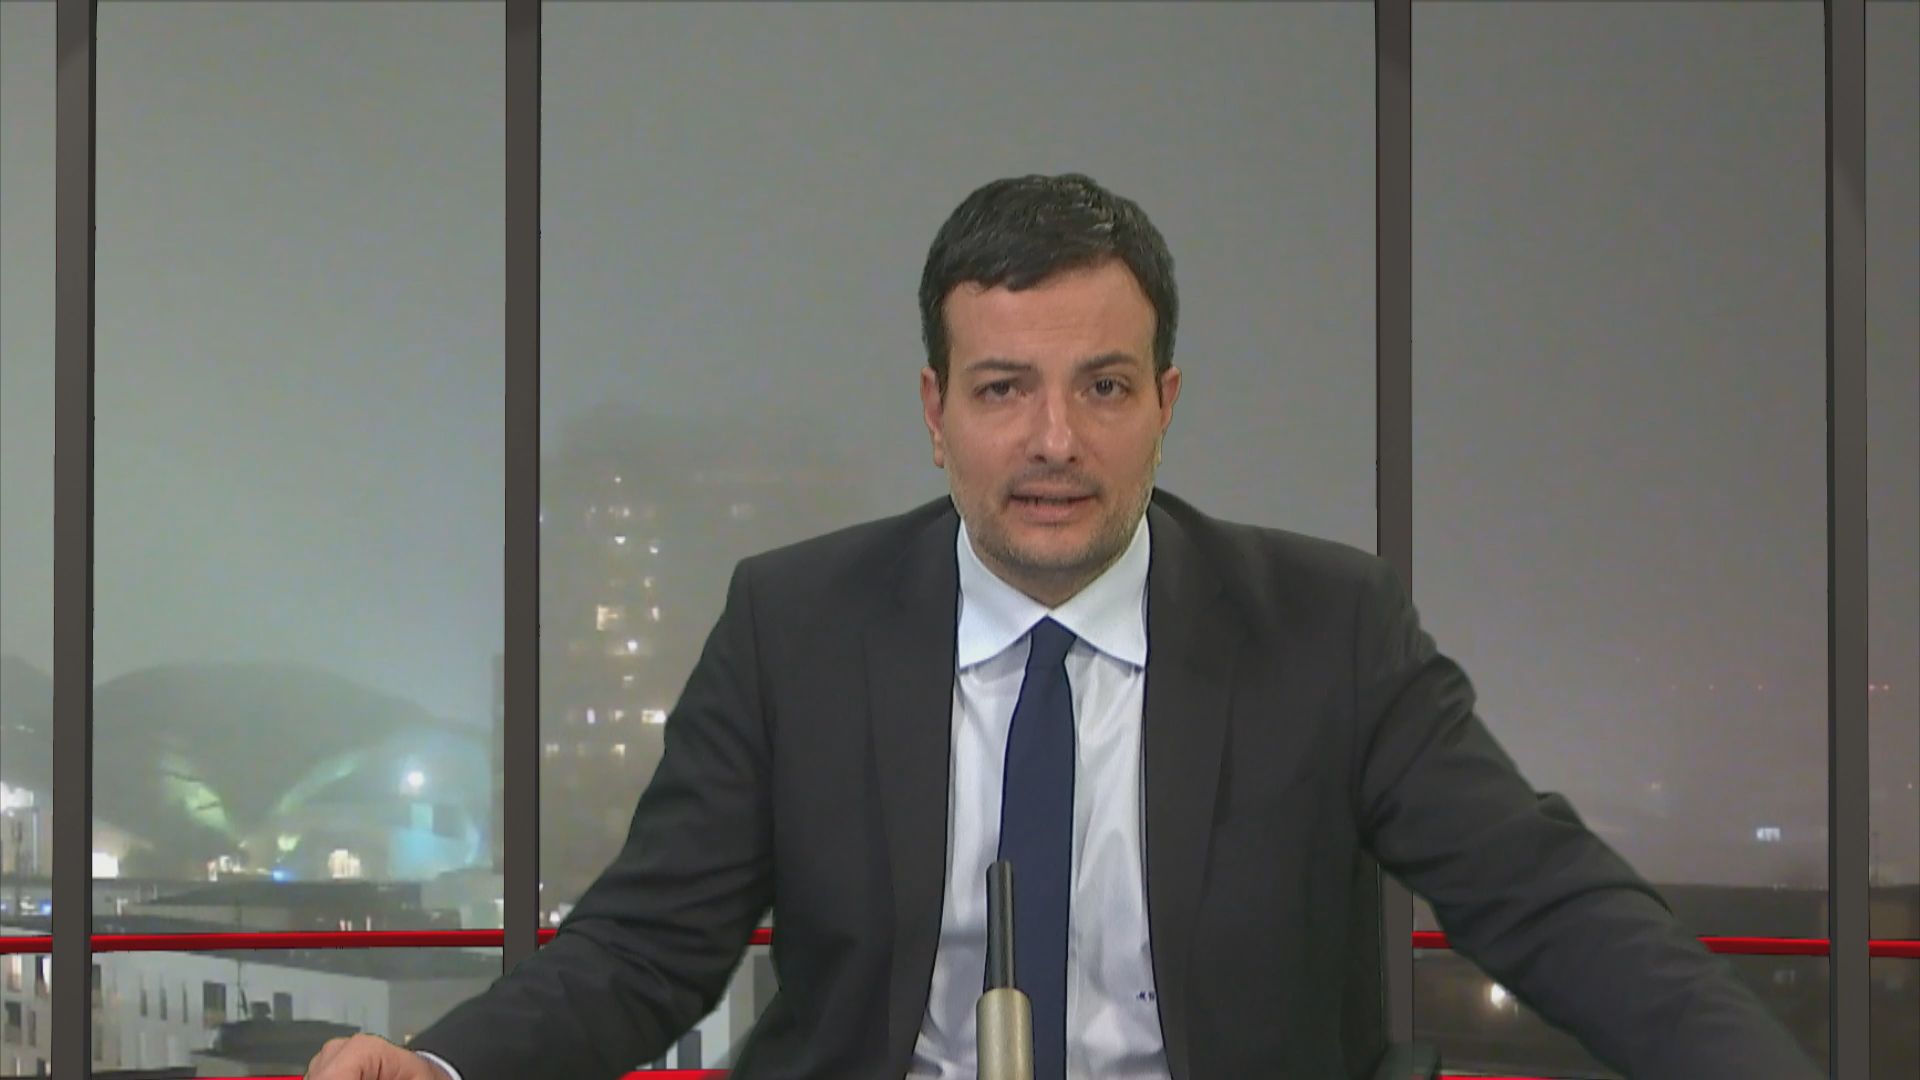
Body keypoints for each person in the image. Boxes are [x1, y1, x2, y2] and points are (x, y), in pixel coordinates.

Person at [305, 173, 1819, 1080]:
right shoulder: (795, 624)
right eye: (1002, 388)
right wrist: (439, 1063)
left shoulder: (1327, 628)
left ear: (1166, 403)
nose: (1054, 440)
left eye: (1103, 386)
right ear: (934, 412)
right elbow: (646, 946)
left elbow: (1548, 903)